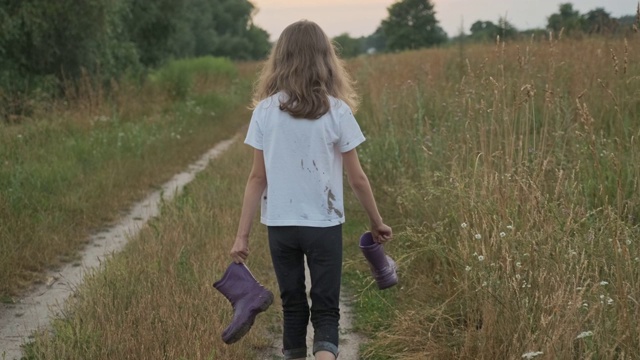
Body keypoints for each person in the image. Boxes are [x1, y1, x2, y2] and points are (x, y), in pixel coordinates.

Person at [229, 20, 392, 360]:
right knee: (326, 311)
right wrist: (377, 222)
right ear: (326, 59)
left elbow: (256, 178)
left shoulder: (265, 111)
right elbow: (357, 178)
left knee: (292, 307)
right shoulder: (338, 111)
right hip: (324, 225)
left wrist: (241, 236)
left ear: (280, 59)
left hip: (281, 226)